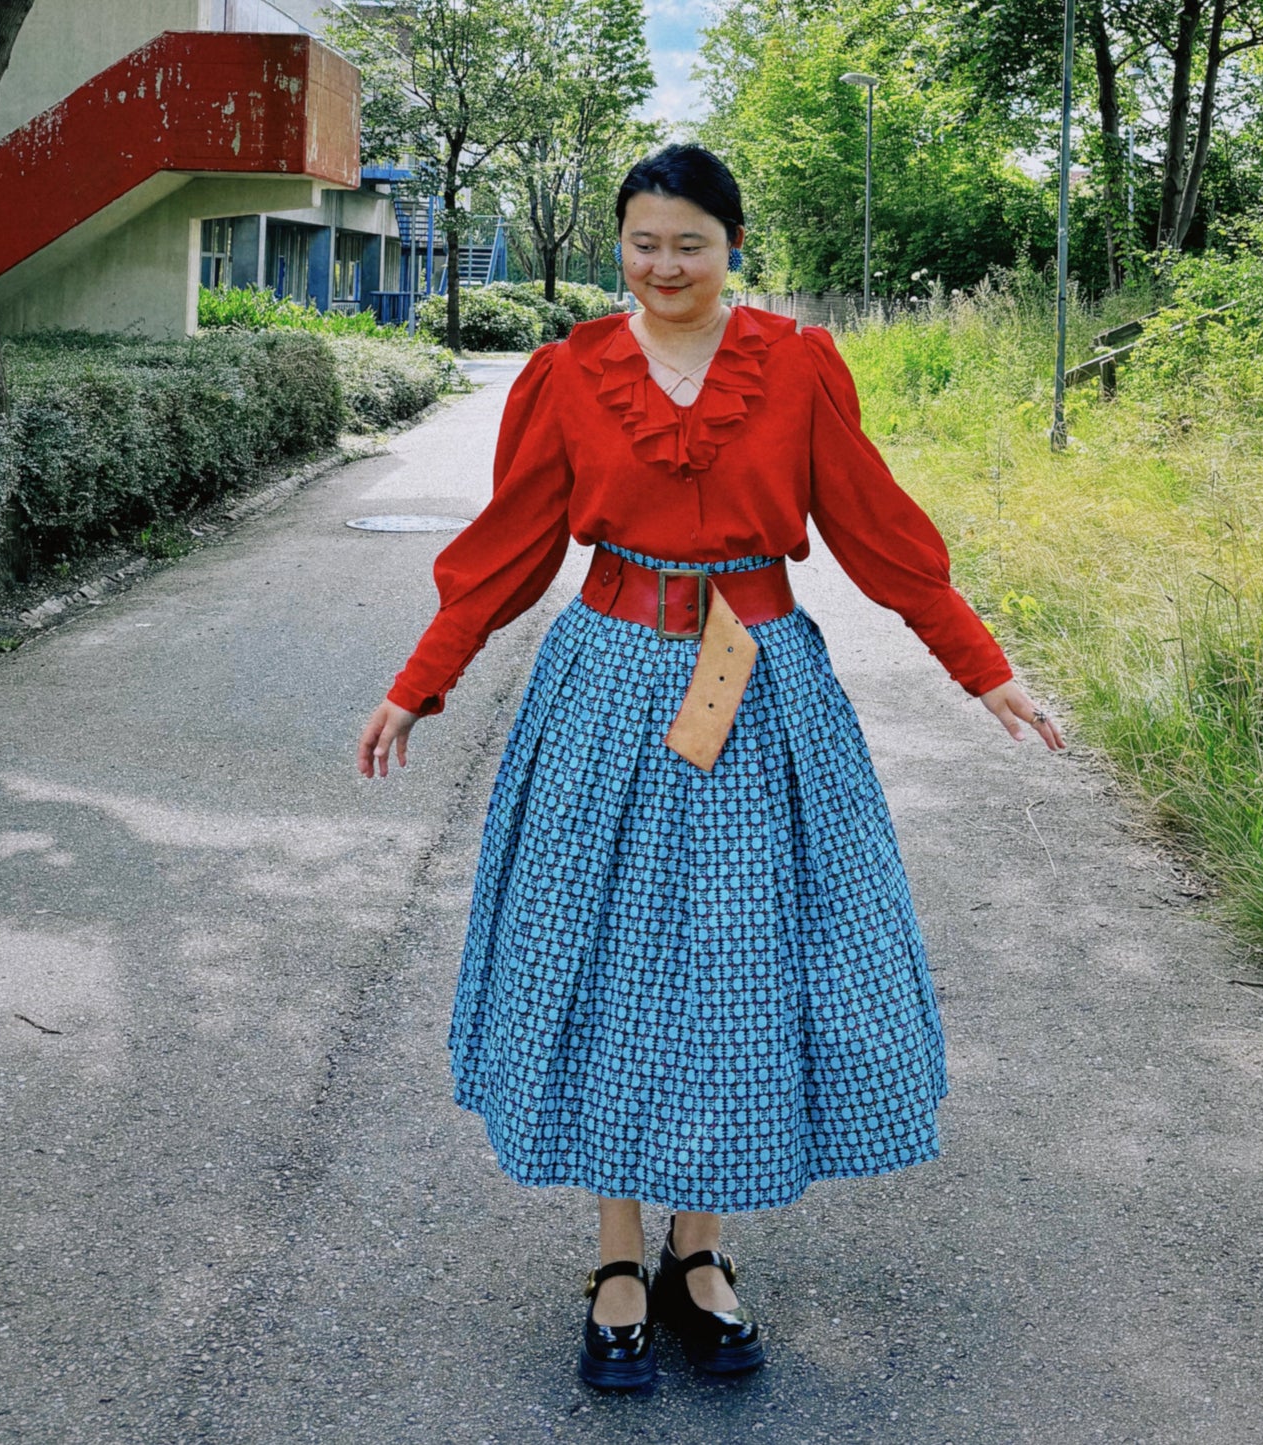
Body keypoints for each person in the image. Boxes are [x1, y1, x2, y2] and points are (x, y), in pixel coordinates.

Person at [357, 144, 1065, 1392]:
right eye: (642, 241)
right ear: (616, 244)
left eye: (690, 242)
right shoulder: (568, 374)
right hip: (605, 686)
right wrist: (419, 680)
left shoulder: (794, 368)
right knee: (611, 962)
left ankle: (702, 1251)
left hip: (763, 688)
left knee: (734, 968)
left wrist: (982, 666)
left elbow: (879, 533)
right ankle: (618, 1257)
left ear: (732, 244)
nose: (664, 265)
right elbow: (508, 550)